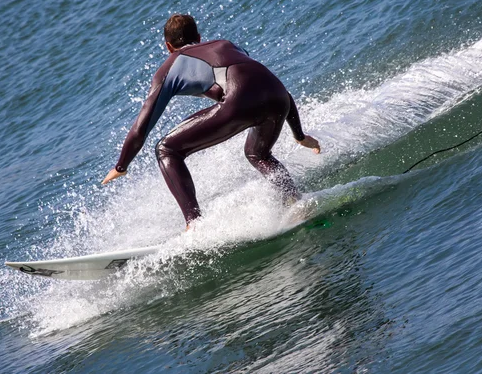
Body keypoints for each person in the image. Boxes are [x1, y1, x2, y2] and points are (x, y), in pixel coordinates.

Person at [102, 14, 320, 229]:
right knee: (257, 153)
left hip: (240, 100)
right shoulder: (227, 45)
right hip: (280, 95)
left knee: (166, 149)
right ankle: (294, 200)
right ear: (198, 36)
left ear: (168, 46)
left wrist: (121, 165)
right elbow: (262, 83)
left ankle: (194, 225)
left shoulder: (170, 66)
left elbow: (142, 127)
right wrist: (299, 135)